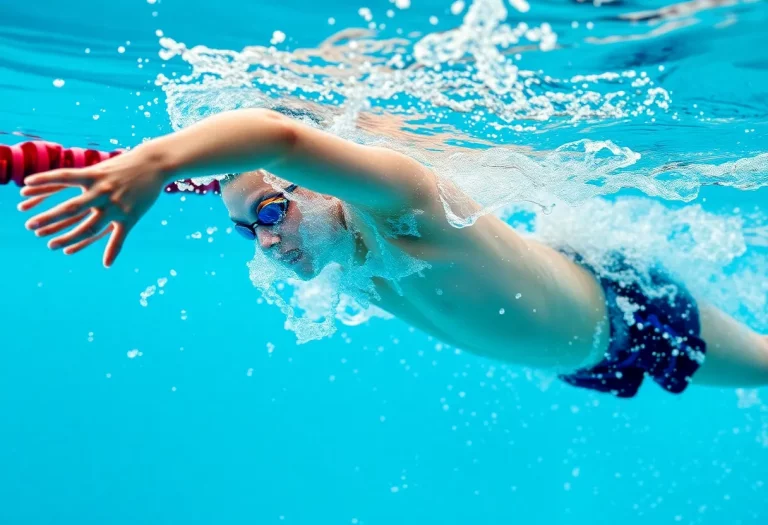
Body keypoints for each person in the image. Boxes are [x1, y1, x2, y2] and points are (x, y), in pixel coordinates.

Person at [16, 107, 768, 397]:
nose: (267, 242)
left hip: (628, 313)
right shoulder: (337, 249)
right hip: (587, 357)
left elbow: (277, 136)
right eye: (249, 228)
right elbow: (254, 170)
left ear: (323, 187)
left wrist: (152, 163)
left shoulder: (409, 211)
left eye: (274, 212)